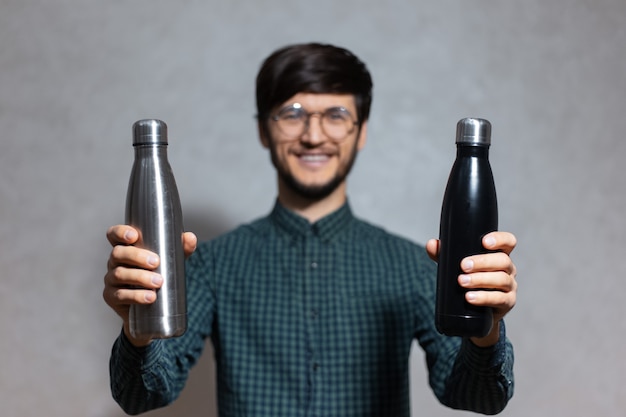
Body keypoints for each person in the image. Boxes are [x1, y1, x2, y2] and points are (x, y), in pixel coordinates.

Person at [103, 43, 517, 416]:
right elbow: (144, 395)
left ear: (362, 131)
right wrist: (136, 329)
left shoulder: (412, 265)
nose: (313, 135)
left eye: (336, 115)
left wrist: (487, 330)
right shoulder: (213, 264)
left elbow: (477, 397)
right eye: (292, 114)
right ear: (264, 129)